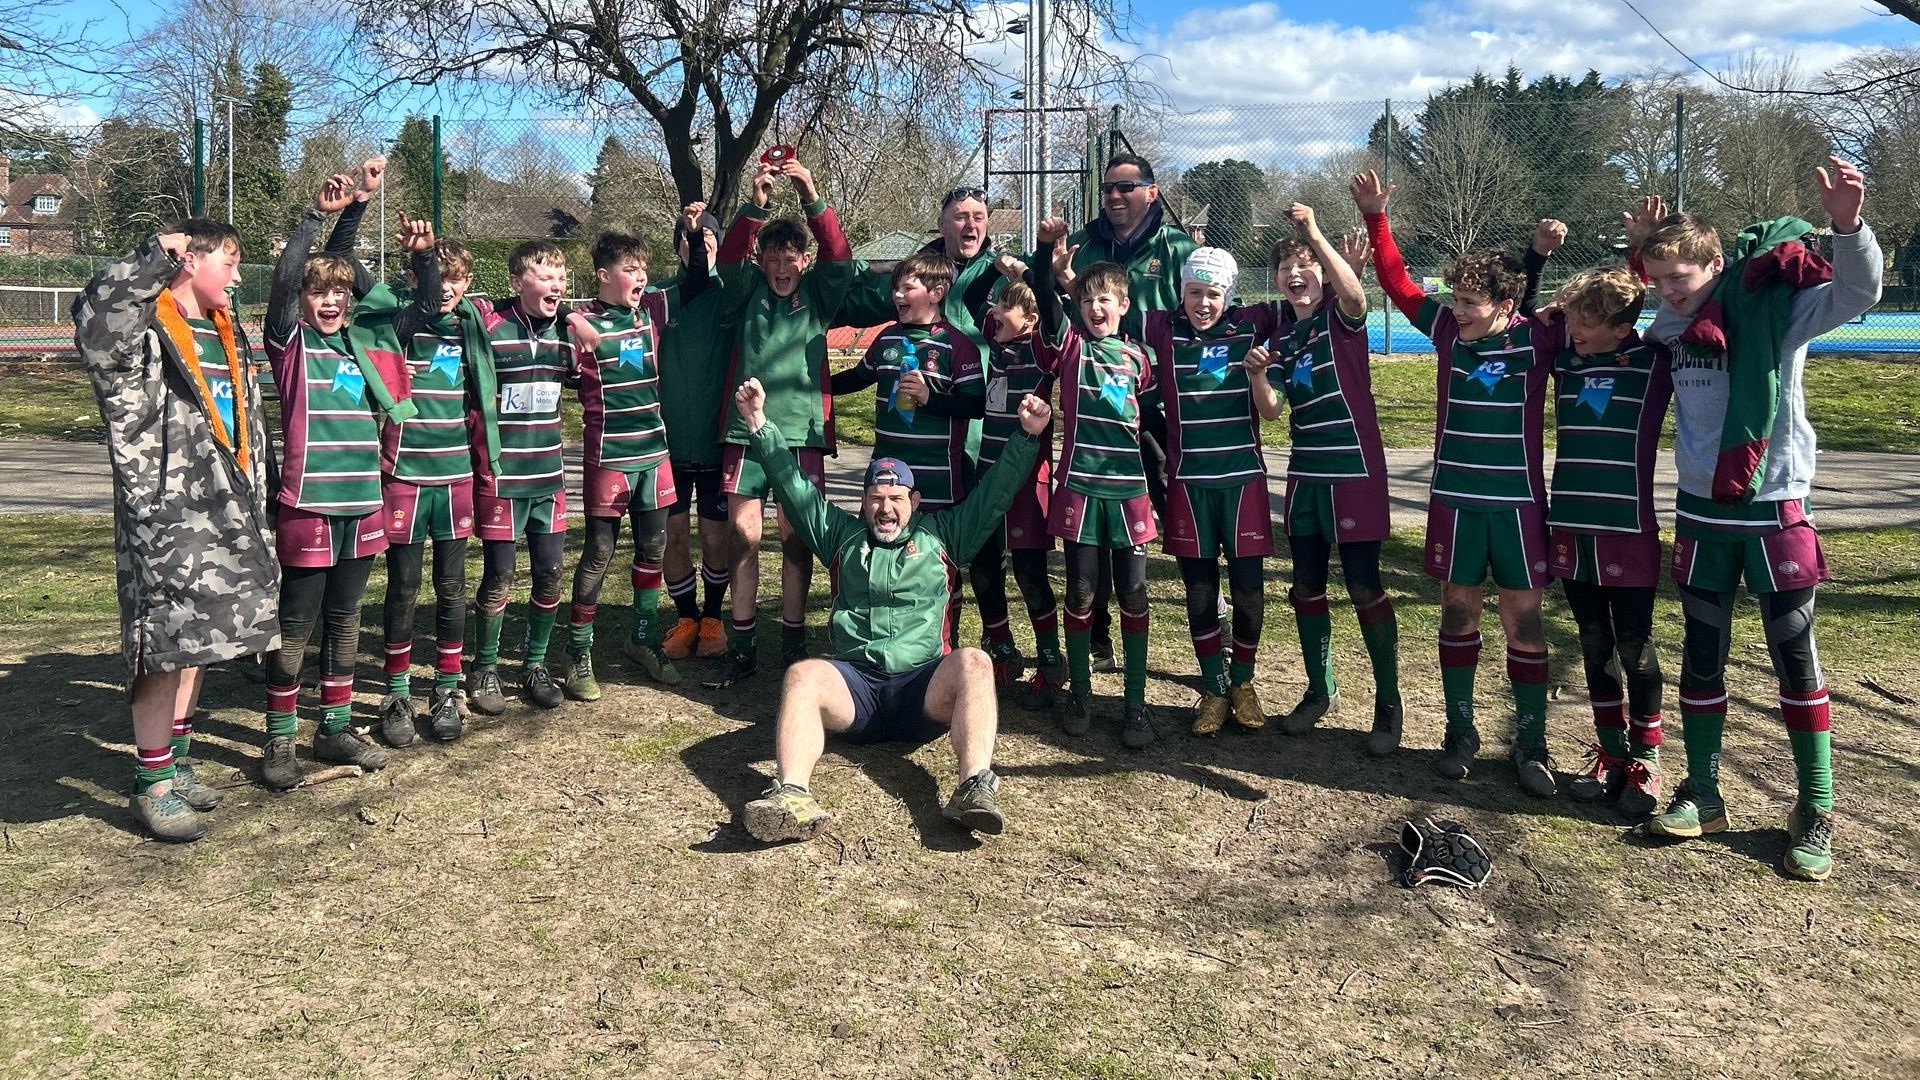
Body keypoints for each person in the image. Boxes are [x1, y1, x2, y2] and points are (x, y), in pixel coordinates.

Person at [1630, 158, 1882, 881]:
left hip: (1775, 511)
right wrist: (1641, 258)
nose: (1670, 291)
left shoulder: (1781, 309)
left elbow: (1858, 291)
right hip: (1703, 515)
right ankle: (1704, 793)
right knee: (1701, 656)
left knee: (1793, 659)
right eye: (1661, 280)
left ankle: (1816, 806)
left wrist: (1847, 225)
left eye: (1681, 277)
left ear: (1718, 263)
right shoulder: (1670, 326)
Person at [732, 377, 1051, 843]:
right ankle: (793, 797)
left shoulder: (944, 535)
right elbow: (792, 485)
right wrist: (758, 423)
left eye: (896, 499)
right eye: (877, 499)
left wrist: (1028, 436)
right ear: (862, 503)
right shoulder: (840, 537)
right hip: (855, 690)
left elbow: (995, 493)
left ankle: (974, 788)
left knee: (976, 662)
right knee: (802, 674)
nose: (886, 509)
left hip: (921, 690)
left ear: (913, 502)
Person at [1354, 171, 1567, 794]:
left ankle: (1531, 746)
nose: (1455, 309)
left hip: (1519, 507)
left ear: (1506, 306)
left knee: (1523, 621)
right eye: (1454, 298)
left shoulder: (1542, 338)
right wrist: (1375, 216)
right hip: (1454, 502)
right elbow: (1396, 281)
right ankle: (1460, 732)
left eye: (1469, 302)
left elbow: (1612, 308)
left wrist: (1634, 253)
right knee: (1456, 611)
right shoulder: (1446, 331)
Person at [74, 217, 279, 841]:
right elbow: (98, 318)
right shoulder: (146, 330)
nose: (239, 277)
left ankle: (179, 760)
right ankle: (151, 782)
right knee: (162, 645)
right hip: (167, 515)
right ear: (190, 261)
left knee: (204, 640)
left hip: (228, 506)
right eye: (230, 262)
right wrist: (149, 258)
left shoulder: (226, 332)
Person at [259, 162, 402, 790]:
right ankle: (279, 741)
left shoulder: (361, 348)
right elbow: (292, 272)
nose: (330, 300)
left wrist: (361, 207)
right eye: (318, 294)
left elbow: (359, 280)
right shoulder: (291, 344)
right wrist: (317, 219)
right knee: (297, 623)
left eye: (339, 295)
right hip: (309, 502)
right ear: (300, 303)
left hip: (362, 502)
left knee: (347, 620)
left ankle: (335, 728)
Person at [1247, 202, 1403, 753]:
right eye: (1286, 267)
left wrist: (1311, 230)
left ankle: (1389, 705)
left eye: (1305, 264)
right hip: (1306, 478)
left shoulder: (1343, 318)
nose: (1295, 274)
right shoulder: (1287, 339)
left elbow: (1357, 295)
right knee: (1306, 587)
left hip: (1354, 473)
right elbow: (1271, 410)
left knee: (1363, 586)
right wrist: (1260, 375)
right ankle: (1321, 690)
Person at [707, 155, 855, 687]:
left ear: (803, 258)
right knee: (743, 536)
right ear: (763, 261)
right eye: (772, 254)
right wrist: (757, 202)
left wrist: (811, 190)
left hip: (801, 436)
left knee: (797, 538)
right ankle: (742, 645)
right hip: (744, 432)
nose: (781, 263)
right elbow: (727, 257)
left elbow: (841, 256)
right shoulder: (747, 291)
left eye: (791, 253)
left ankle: (794, 644)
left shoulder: (818, 293)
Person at [561, 208, 711, 697]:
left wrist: (693, 229)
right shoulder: (579, 321)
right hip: (609, 457)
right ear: (603, 276)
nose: (641, 276)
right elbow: (522, 303)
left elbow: (695, 278)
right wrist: (567, 316)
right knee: (599, 553)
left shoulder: (652, 311)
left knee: (653, 549)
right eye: (630, 268)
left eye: (643, 268)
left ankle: (641, 639)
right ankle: (579, 655)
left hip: (655, 452)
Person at [1056, 153, 1198, 668]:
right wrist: (1051, 266)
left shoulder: (1179, 248)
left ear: (1152, 192)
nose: (1115, 197)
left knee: (1170, 505)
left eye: (1126, 187)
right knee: (1091, 526)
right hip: (1095, 413)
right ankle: (1095, 638)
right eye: (1108, 189)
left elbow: (1209, 308)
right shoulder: (1085, 243)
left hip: (1156, 404)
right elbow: (1050, 297)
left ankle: (1210, 615)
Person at [1541, 265, 1673, 818]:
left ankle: (1647, 759)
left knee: (1634, 649)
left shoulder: (1651, 362)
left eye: (1587, 321)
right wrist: (1562, 306)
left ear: (1623, 327)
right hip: (1571, 525)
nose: (1574, 328)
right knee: (1593, 642)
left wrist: (1641, 256)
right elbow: (1532, 322)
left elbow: (1669, 302)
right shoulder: (1564, 361)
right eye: (1572, 318)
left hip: (1628, 528)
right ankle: (1611, 752)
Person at [364, 219, 499, 745]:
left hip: (455, 478)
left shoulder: (471, 328)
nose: (447, 287)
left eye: (457, 279)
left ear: (468, 283)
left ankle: (446, 690)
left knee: (451, 587)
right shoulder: (401, 323)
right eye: (438, 276)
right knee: (402, 589)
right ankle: (395, 694)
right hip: (405, 476)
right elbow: (373, 361)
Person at [1034, 217, 1159, 748]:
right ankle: (1080, 692)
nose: (1097, 308)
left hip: (1128, 492)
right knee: (1082, 591)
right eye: (1088, 300)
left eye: (1107, 299)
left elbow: (1150, 417)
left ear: (1124, 305)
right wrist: (1046, 255)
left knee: (1133, 591)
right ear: (1078, 308)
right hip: (1080, 488)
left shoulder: (1139, 359)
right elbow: (1043, 294)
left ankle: (1135, 704)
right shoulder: (1071, 349)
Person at [1143, 246, 1278, 736]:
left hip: (1242, 481)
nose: (1203, 303)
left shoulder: (1252, 323)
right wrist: (1064, 275)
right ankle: (1214, 687)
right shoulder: (1161, 327)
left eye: (1213, 294)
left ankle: (1242, 681)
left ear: (1230, 294)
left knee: (1247, 590)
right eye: (1195, 292)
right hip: (1188, 484)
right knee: (1199, 590)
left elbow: (1313, 300)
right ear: (1182, 292)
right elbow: (1101, 308)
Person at [468, 239, 602, 715]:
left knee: (549, 574)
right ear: (515, 282)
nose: (556, 284)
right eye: (544, 277)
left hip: (549, 477)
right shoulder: (488, 324)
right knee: (500, 575)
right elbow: (449, 300)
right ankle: (483, 667)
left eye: (560, 277)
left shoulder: (568, 334)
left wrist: (569, 315)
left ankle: (535, 664)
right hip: (502, 479)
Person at [829, 251, 984, 524]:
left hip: (937, 479)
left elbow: (975, 405)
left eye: (907, 288)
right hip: (886, 474)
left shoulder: (958, 345)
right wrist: (815, 386)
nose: (898, 295)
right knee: (879, 549)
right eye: (895, 289)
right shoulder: (887, 337)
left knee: (935, 556)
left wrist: (929, 398)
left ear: (936, 293)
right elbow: (858, 377)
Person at [973, 276, 1064, 702]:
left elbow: (1054, 309)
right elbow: (975, 298)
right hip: (989, 477)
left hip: (1028, 481)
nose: (993, 313)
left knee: (1030, 574)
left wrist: (1033, 275)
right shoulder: (995, 345)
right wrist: (997, 268)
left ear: (1029, 319)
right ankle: (1004, 652)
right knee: (984, 566)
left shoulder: (1041, 349)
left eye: (1003, 307)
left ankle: (1051, 661)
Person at [658, 209, 733, 665]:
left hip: (718, 441)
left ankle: (712, 617)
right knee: (673, 534)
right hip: (668, 444)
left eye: (708, 236)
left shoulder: (734, 295)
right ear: (677, 246)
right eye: (690, 238)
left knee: (715, 537)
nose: (699, 244)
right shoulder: (661, 299)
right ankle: (685, 618)